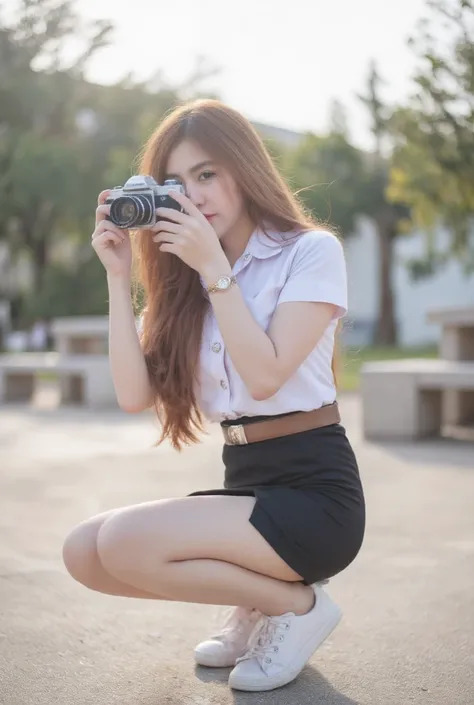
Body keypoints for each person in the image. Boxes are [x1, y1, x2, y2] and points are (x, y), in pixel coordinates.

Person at [62, 99, 365, 693]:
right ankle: (260, 602)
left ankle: (293, 607)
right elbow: (131, 395)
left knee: (123, 541)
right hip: (246, 487)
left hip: (314, 495)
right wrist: (118, 277)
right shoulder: (185, 281)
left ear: (243, 170)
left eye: (206, 175)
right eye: (175, 183)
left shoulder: (308, 252)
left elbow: (265, 377)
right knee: (84, 553)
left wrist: (214, 271)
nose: (193, 196)